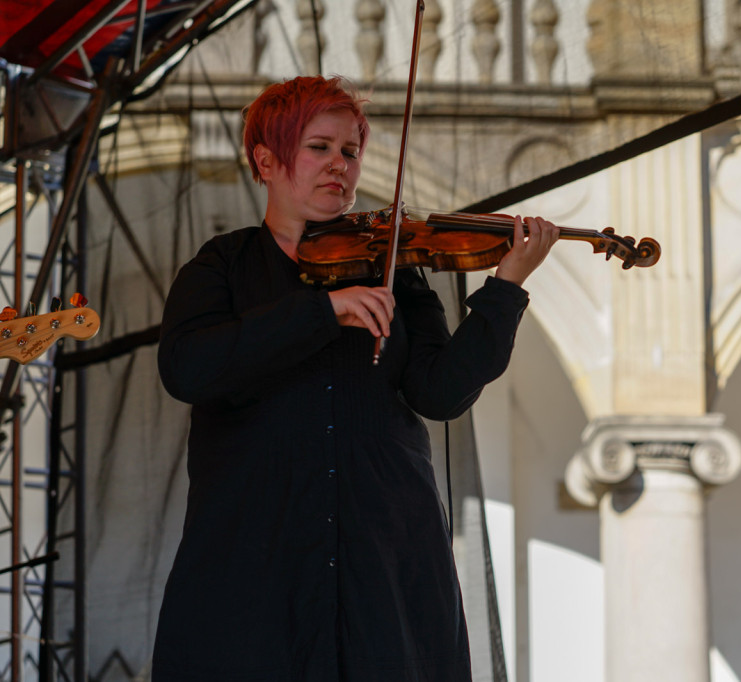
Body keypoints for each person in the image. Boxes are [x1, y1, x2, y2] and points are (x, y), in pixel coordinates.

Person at [151, 75, 558, 681]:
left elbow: (440, 392)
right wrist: (322, 312)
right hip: (257, 560)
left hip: (386, 554)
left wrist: (505, 289)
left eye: (350, 150)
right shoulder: (221, 266)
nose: (339, 165)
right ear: (266, 160)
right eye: (319, 147)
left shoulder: (394, 268)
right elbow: (188, 368)